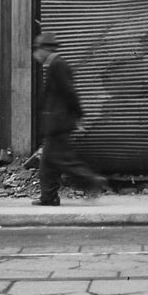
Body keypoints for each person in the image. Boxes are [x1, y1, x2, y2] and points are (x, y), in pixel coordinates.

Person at [32, 32, 108, 206]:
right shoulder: (54, 66)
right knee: (49, 164)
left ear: (46, 49)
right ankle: (49, 197)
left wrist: (79, 115)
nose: (35, 55)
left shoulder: (58, 65)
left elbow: (70, 93)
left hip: (59, 124)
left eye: (37, 50)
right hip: (56, 123)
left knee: (62, 161)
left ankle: (93, 181)